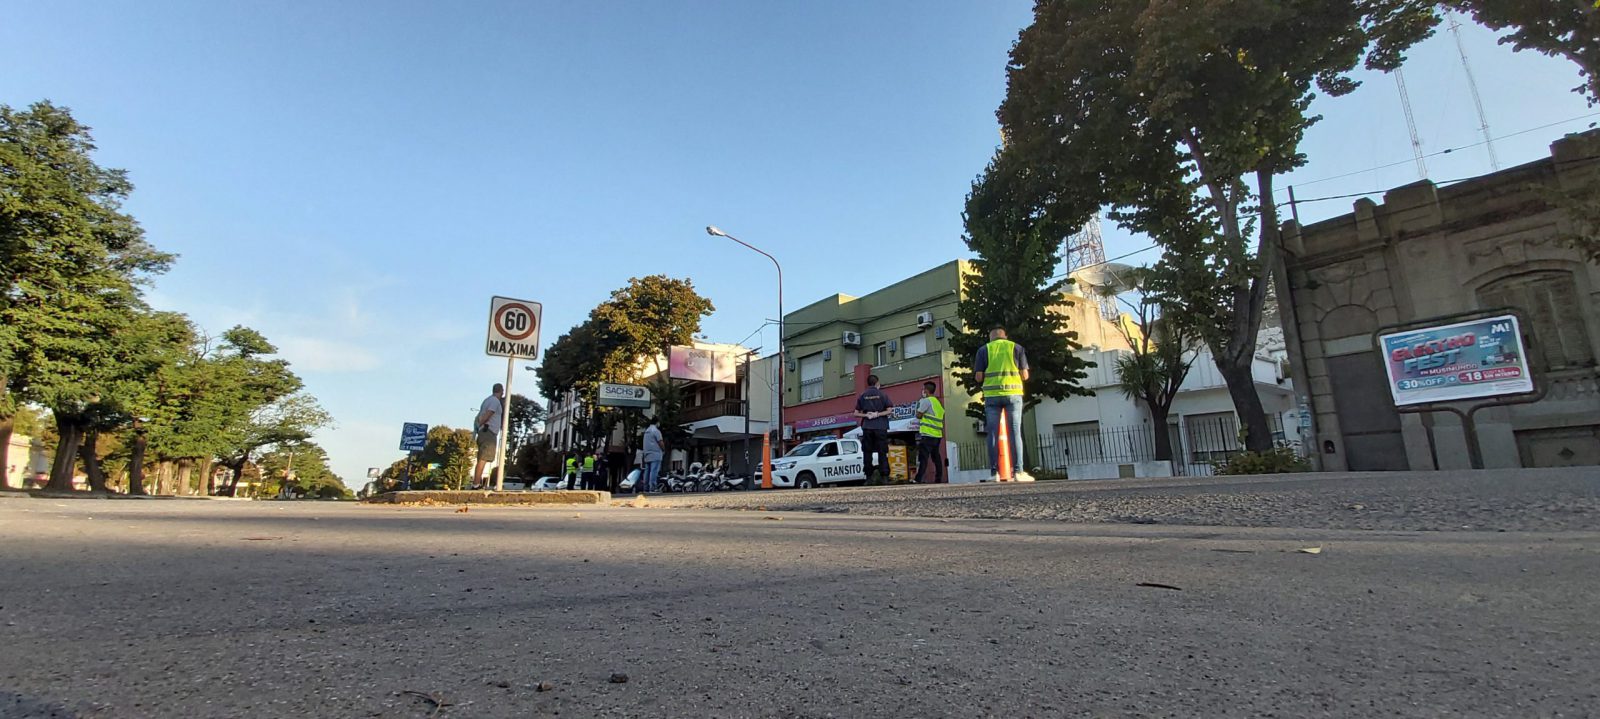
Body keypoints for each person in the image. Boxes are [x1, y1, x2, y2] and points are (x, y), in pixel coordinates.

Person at [975, 327, 1032, 482]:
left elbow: (979, 377)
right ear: (1005, 336)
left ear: (991, 338)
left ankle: (994, 473)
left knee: (992, 434)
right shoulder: (1017, 348)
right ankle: (1019, 472)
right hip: (1013, 394)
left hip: (992, 396)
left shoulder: (983, 350)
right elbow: (1025, 375)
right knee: (1015, 432)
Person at [853, 374, 892, 482]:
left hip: (867, 426)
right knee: (882, 452)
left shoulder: (862, 395)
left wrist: (866, 415)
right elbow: (889, 410)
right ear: (877, 383)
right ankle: (884, 477)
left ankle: (868, 477)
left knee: (867, 452)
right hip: (880, 426)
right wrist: (878, 414)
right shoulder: (882, 394)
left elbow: (855, 413)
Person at [472, 383, 505, 490]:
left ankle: (476, 482)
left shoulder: (487, 400)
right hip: (488, 431)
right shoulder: (495, 401)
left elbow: (479, 415)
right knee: (484, 458)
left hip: (484, 431)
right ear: (501, 391)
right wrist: (482, 423)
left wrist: (477, 429)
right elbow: (489, 414)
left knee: (482, 458)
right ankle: (476, 484)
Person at [912, 381, 945, 484]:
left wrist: (920, 402)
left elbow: (918, 415)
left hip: (927, 434)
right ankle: (938, 478)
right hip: (937, 434)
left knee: (923, 457)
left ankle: (918, 479)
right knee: (936, 457)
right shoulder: (937, 402)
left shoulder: (926, 401)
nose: (922, 391)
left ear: (926, 390)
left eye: (923, 389)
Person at [641, 418, 665, 493]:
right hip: (656, 453)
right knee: (654, 471)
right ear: (657, 422)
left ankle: (646, 488)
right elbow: (660, 442)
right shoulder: (656, 431)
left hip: (647, 454)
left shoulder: (646, 431)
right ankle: (653, 487)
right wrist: (663, 449)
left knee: (647, 471)